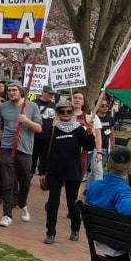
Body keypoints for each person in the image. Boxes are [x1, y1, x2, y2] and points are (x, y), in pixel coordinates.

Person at [43, 99, 95, 244]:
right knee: (53, 202)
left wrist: (90, 133)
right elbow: (45, 151)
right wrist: (42, 171)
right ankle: (50, 233)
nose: (65, 113)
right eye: (62, 111)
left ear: (73, 113)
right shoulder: (53, 129)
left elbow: (89, 147)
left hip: (73, 171)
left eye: (68, 111)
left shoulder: (79, 129)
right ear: (57, 113)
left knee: (72, 203)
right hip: (55, 171)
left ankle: (75, 229)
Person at [0, 80, 42, 227]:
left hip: (25, 149)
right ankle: (7, 215)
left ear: (21, 92)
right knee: (7, 182)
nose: (11, 92)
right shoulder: (3, 108)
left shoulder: (32, 107)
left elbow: (39, 128)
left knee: (25, 181)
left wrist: (26, 120)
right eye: (9, 90)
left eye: (14, 90)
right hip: (7, 148)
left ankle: (22, 203)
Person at [32, 86, 57, 176]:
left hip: (48, 138)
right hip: (34, 136)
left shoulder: (54, 105)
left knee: (45, 161)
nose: (52, 95)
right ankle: (28, 176)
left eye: (53, 94)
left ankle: (42, 177)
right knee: (32, 159)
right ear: (43, 92)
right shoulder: (34, 103)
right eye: (50, 93)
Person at [95, 98, 116, 163]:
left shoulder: (110, 119)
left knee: (102, 166)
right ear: (97, 107)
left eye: (107, 105)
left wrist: (112, 145)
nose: (105, 107)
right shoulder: (94, 118)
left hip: (105, 147)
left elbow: (112, 133)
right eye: (102, 106)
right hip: (94, 147)